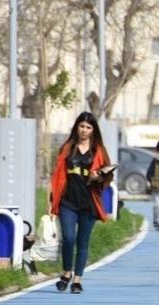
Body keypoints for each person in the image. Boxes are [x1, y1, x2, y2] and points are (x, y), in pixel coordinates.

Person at [49, 112, 114, 294]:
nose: (84, 130)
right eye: (81, 126)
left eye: (88, 127)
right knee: (68, 239)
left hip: (89, 202)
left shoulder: (99, 150)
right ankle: (67, 272)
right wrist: (52, 199)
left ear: (93, 130)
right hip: (67, 201)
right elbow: (56, 176)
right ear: (76, 127)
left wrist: (98, 177)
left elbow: (108, 175)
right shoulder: (68, 148)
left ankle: (77, 279)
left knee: (82, 242)